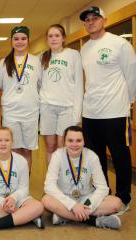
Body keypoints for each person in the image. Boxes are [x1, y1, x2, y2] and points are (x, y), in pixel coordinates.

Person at [79, 6, 136, 214]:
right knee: (96, 157)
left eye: (95, 18)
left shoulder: (119, 44)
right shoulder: (84, 49)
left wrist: (127, 103)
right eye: (87, 19)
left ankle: (123, 197)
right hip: (90, 113)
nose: (91, 22)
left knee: (120, 155)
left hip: (114, 112)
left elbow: (132, 76)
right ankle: (103, 192)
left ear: (104, 20)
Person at [42, 126, 122, 229]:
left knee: (117, 204)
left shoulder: (92, 156)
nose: (74, 144)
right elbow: (49, 186)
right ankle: (94, 221)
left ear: (84, 141)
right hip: (64, 198)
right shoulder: (57, 156)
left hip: (86, 199)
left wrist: (87, 205)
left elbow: (103, 187)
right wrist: (72, 205)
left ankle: (65, 216)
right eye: (70, 140)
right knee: (46, 200)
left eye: (78, 140)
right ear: (64, 142)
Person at [0, 26, 41, 170]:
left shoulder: (36, 61)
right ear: (11, 41)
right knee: (13, 150)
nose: (19, 42)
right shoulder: (3, 63)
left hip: (30, 112)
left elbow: (40, 86)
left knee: (27, 150)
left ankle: (24, 186)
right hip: (11, 113)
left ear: (28, 40)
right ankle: (14, 184)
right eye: (16, 39)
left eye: (23, 38)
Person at [40, 24, 83, 164]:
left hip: (67, 108)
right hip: (47, 108)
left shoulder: (73, 55)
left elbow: (78, 86)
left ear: (63, 38)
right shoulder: (43, 57)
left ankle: (64, 182)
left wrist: (77, 115)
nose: (53, 39)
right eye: (50, 36)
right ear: (47, 39)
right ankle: (51, 182)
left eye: (57, 35)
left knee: (62, 146)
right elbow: (38, 84)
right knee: (50, 146)